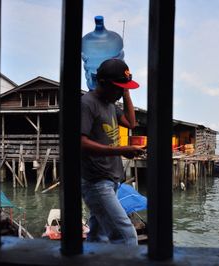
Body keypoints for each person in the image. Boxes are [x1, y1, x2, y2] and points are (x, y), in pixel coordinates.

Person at [81, 59, 145, 245]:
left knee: (97, 237)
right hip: (96, 181)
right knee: (127, 238)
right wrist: (121, 150)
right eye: (117, 87)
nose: (119, 93)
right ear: (102, 83)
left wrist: (126, 92)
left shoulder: (110, 104)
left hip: (112, 180)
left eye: (122, 88)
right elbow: (81, 143)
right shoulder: (87, 104)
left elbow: (131, 123)